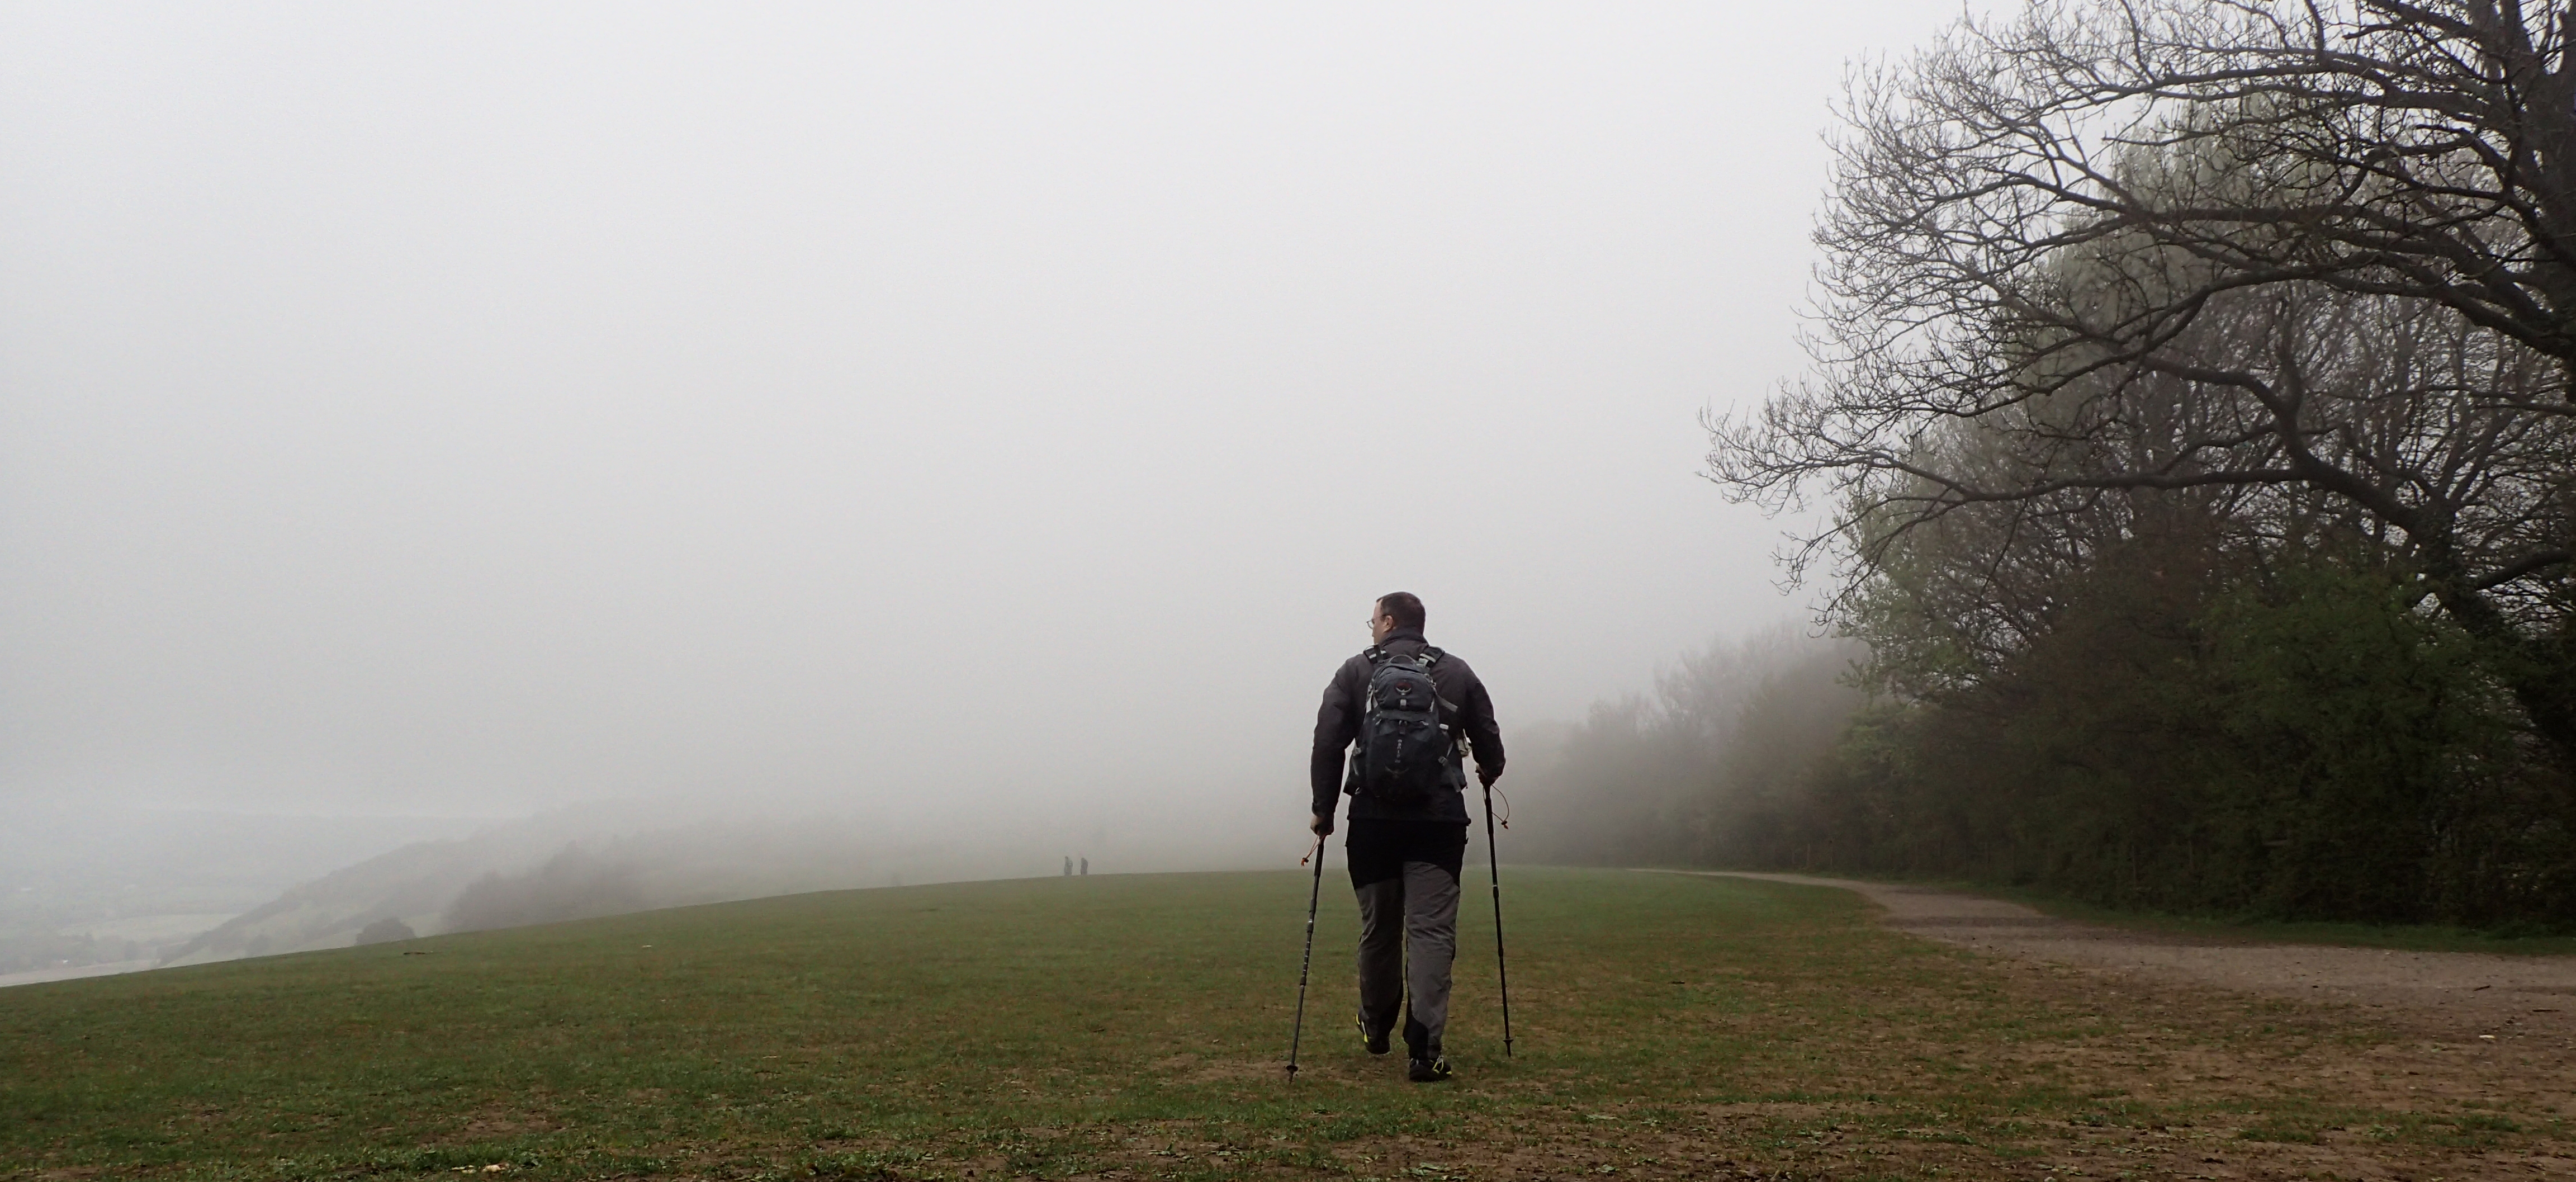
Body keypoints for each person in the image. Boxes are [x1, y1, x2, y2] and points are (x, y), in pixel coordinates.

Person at [1309, 591, 1504, 1082]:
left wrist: (1323, 810)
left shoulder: (1356, 671)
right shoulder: (1456, 671)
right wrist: (1488, 769)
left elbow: (1328, 742)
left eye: (1373, 620)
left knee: (1379, 928)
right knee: (1431, 932)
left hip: (1372, 822)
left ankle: (1376, 1025)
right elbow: (1489, 741)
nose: (1372, 627)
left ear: (1389, 622)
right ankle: (1424, 1050)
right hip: (1438, 824)